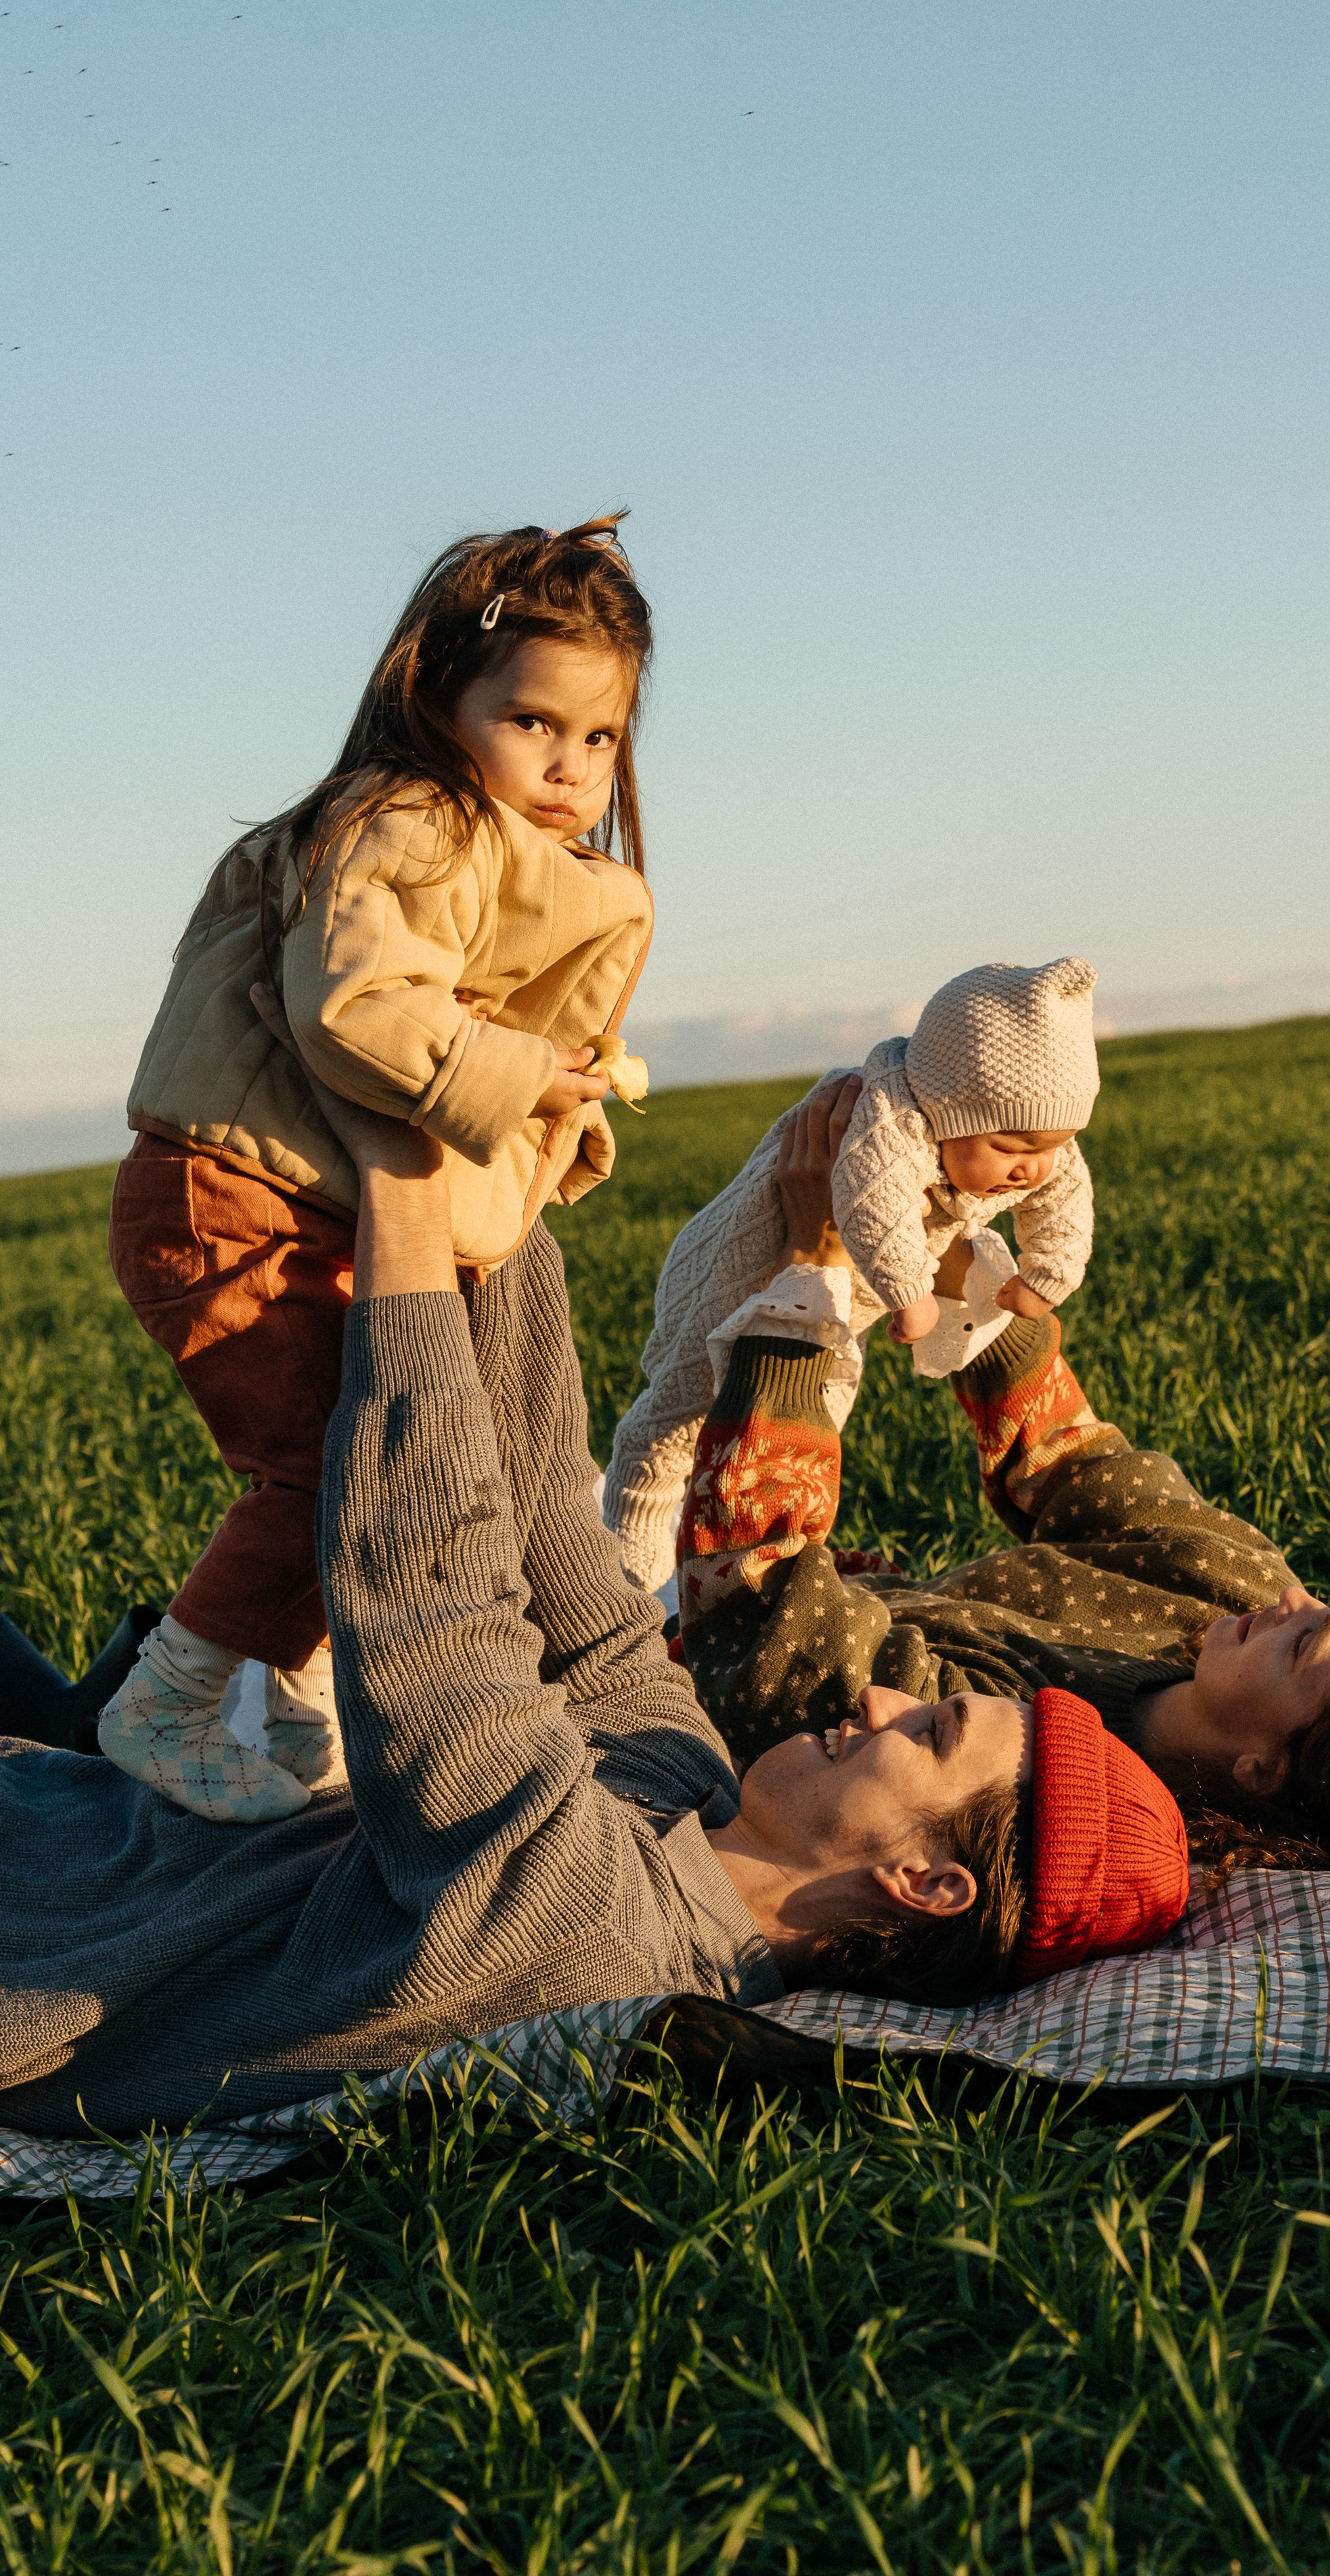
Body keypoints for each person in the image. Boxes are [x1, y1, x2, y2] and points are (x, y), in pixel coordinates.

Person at [0, 1078, 1181, 2142]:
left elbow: (429, 1597)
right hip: (59, 1797)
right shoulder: (691, 1793)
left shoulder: (597, 1933)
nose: (879, 1698)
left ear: (927, 1884)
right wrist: (508, 1184)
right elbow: (562, 1560)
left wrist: (410, 1199)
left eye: (928, 1736)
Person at [671, 1079, 1330, 1919]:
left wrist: (811, 1277)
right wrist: (948, 1251)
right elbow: (1065, 1455)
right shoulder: (1232, 1586)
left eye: (1307, 1642)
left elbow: (757, 1591)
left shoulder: (983, 1773)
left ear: (1262, 1769)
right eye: (1329, 1602)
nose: (1290, 1601)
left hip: (673, 1632)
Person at [103, 519, 657, 1824]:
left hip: (291, 1195)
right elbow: (357, 1007)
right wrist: (520, 1077)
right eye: (534, 723)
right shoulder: (408, 824)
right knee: (330, 1468)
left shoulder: (493, 852)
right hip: (230, 1196)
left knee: (371, 1454)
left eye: (602, 738)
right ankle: (166, 1699)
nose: (573, 766)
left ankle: (290, 1695)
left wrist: (557, 1097)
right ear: (435, 699)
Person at [606, 957, 1099, 1595]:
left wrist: (1048, 1274)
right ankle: (629, 1581)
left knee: (817, 1413)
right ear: (948, 1111)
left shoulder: (1033, 1138)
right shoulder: (889, 1116)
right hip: (747, 1276)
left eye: (1049, 1145)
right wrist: (912, 1295)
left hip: (842, 1304)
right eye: (1010, 1148)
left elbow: (1067, 1195)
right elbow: (873, 1203)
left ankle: (753, 1560)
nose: (1033, 1168)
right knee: (673, 1428)